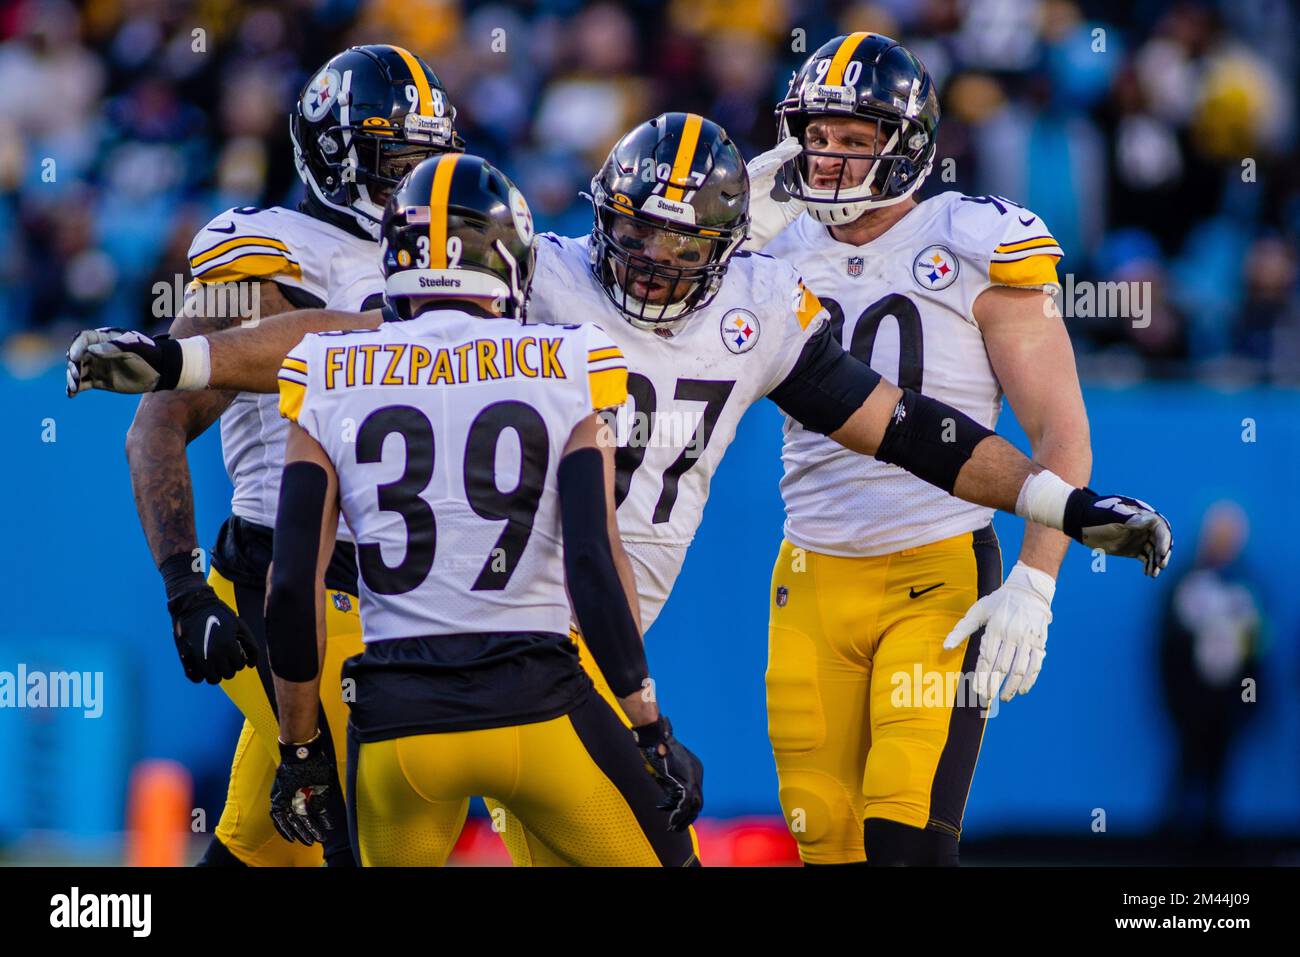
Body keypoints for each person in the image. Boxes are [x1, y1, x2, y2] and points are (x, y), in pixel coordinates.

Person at [67, 112, 1172, 866]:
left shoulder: (761, 311)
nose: (648, 262)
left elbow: (913, 433)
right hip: (540, 645)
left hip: (488, 658)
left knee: (282, 842)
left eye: (680, 243)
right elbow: (354, 337)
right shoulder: (540, 280)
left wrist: (1061, 509)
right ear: (598, 216)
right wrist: (188, 363)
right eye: (635, 233)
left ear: (732, 246)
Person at [263, 153, 701, 866]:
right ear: (511, 261)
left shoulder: (327, 369)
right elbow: (590, 561)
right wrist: (649, 726)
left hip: (399, 719)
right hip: (539, 702)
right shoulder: (569, 361)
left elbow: (291, 584)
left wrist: (301, 746)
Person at [741, 31, 1099, 866]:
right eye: (816, 137)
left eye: (853, 140)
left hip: (935, 578)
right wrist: (719, 240)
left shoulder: (975, 241)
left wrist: (1037, 580)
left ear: (905, 150)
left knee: (903, 841)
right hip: (809, 577)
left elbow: (1062, 431)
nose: (826, 160)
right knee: (821, 839)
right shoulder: (767, 253)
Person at [117, 44, 461, 867]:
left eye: (429, 161)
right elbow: (156, 422)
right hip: (292, 576)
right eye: (398, 161)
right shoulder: (269, 248)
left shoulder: (442, 257)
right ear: (338, 155)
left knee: (266, 850)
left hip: (399, 586)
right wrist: (183, 588)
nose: (416, 185)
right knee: (370, 835)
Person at [1159, 501, 1262, 842]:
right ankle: (1172, 842)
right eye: (1218, 537)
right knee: (1187, 767)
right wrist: (1176, 696)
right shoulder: (1186, 583)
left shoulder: (1245, 588)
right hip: (1192, 700)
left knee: (1221, 770)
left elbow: (1257, 647)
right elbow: (1167, 645)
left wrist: (1251, 699)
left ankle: (1213, 840)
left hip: (1228, 700)